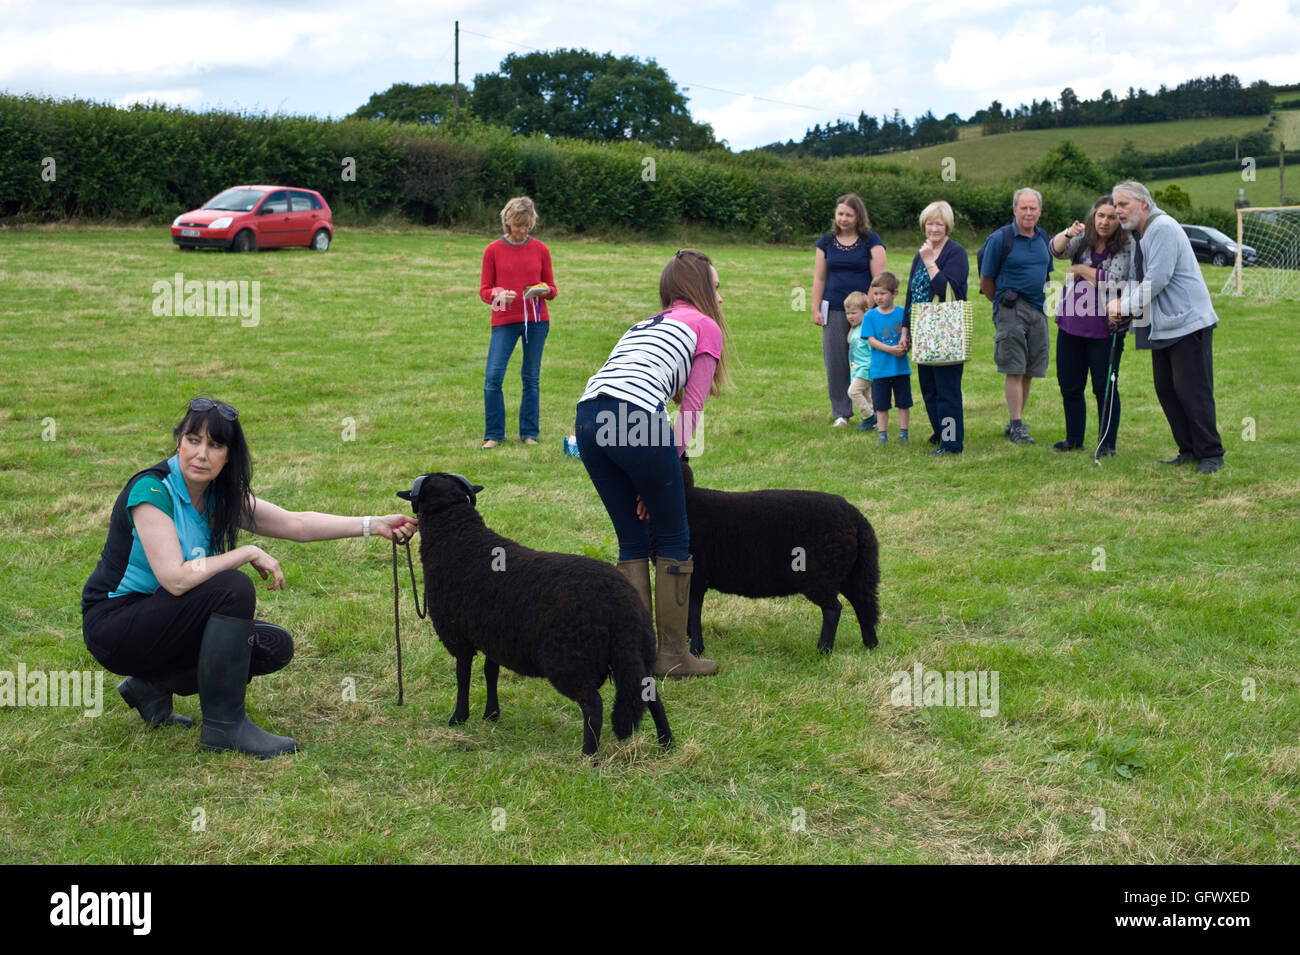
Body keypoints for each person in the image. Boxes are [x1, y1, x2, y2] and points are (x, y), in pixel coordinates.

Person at [81, 398, 418, 757]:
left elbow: (294, 523)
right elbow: (175, 579)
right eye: (193, 440)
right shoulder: (152, 491)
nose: (201, 454)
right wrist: (245, 553)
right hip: (115, 626)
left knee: (270, 646)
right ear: (178, 440)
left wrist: (373, 525)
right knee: (232, 587)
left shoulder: (218, 496)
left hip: (164, 618)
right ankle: (225, 729)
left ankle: (151, 686)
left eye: (215, 445)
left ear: (229, 455)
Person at [574, 250, 733, 678]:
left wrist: (651, 475)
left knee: (630, 538)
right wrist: (667, 473)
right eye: (716, 287)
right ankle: (674, 657)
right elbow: (692, 410)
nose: (720, 297)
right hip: (636, 416)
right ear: (698, 289)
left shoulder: (642, 325)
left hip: (589, 417)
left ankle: (634, 658)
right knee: (674, 535)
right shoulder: (705, 326)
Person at [1108, 181, 1226, 474]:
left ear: (1143, 204)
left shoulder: (1162, 228)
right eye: (1116, 205)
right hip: (1163, 327)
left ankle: (1211, 454)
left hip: (1187, 324)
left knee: (1192, 390)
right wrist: (1124, 304)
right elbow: (1141, 279)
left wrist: (1123, 307)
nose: (1118, 211)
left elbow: (1157, 280)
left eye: (1124, 205)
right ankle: (1188, 449)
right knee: (1167, 389)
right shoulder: (1140, 233)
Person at [1049, 195, 1132, 455]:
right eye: (1101, 216)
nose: (1105, 222)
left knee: (1103, 386)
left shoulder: (1126, 246)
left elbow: (1115, 281)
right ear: (1092, 217)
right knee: (1070, 384)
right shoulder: (1083, 240)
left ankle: (1107, 444)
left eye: (1111, 217)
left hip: (1105, 329)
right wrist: (1067, 232)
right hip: (1071, 323)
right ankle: (1073, 439)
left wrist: (1081, 270)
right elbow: (1055, 250)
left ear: (1119, 221)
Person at [478, 196, 557, 450]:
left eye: (526, 225)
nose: (522, 230)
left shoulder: (541, 250)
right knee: (493, 377)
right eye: (517, 225)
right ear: (507, 222)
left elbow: (552, 288)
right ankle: (494, 435)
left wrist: (544, 290)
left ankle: (529, 433)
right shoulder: (492, 250)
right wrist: (497, 295)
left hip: (536, 321)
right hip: (504, 321)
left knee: (531, 378)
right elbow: (484, 291)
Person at [979, 188, 1054, 444]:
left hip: (1038, 309)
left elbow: (1046, 272)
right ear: (1014, 210)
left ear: (1040, 211)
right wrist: (1000, 305)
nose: (1029, 213)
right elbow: (986, 279)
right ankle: (1016, 424)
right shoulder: (1000, 239)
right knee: (1014, 367)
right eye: (1024, 208)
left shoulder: (1043, 237)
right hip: (1011, 308)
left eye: (1033, 208)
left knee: (1031, 368)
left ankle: (1018, 419)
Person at [811, 193, 887, 427]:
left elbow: (879, 280)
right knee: (835, 362)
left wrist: (867, 311)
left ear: (858, 217)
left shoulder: (871, 241)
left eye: (849, 215)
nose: (844, 219)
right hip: (833, 309)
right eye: (840, 214)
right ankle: (841, 413)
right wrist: (816, 308)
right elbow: (820, 277)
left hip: (864, 311)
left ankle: (872, 412)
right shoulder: (826, 242)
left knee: (865, 361)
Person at [902, 200, 970, 455]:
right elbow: (911, 294)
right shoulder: (919, 254)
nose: (933, 228)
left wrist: (931, 262)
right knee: (929, 388)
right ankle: (941, 432)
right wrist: (905, 330)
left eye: (938, 223)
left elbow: (947, 289)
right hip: (922, 331)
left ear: (948, 225)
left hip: (947, 332)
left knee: (947, 390)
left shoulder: (956, 253)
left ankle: (952, 443)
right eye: (929, 223)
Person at [863, 272, 911, 445]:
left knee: (903, 403)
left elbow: (908, 335)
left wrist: (906, 346)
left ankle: (903, 433)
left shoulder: (903, 313)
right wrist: (890, 349)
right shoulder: (870, 316)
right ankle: (882, 434)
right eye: (875, 294)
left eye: (883, 293)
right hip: (879, 370)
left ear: (894, 293)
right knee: (881, 405)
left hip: (900, 369)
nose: (878, 297)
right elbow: (871, 340)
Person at [843, 291, 875, 433]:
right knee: (867, 396)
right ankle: (871, 424)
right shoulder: (855, 329)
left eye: (854, 313)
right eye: (848, 313)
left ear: (865, 312)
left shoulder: (866, 330)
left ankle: (869, 416)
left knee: (853, 392)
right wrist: (852, 327)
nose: (850, 316)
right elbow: (849, 341)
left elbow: (873, 350)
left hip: (866, 369)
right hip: (856, 369)